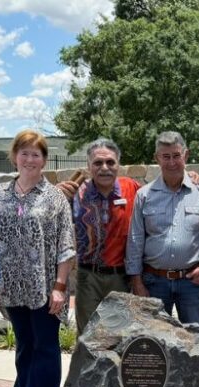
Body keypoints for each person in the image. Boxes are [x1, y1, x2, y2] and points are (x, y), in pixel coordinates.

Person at [0, 130, 76, 387]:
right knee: (25, 348)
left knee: (45, 348)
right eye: (24, 153)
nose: (29, 159)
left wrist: (60, 286)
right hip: (11, 287)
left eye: (35, 154)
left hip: (44, 288)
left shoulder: (54, 197)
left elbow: (66, 244)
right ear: (14, 156)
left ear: (44, 160)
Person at [125, 131, 199, 329]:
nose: (172, 162)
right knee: (153, 341)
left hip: (191, 283)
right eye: (166, 156)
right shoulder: (144, 195)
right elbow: (135, 240)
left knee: (194, 340)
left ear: (186, 155)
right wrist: (136, 281)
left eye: (176, 155)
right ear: (157, 158)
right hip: (154, 282)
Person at [68, 138, 139, 334]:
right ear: (89, 166)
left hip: (120, 278)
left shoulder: (131, 188)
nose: (104, 168)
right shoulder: (76, 193)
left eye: (110, 162)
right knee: (88, 337)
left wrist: (188, 176)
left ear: (118, 164)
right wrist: (56, 193)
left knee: (118, 337)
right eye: (98, 163)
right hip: (87, 278)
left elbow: (161, 190)